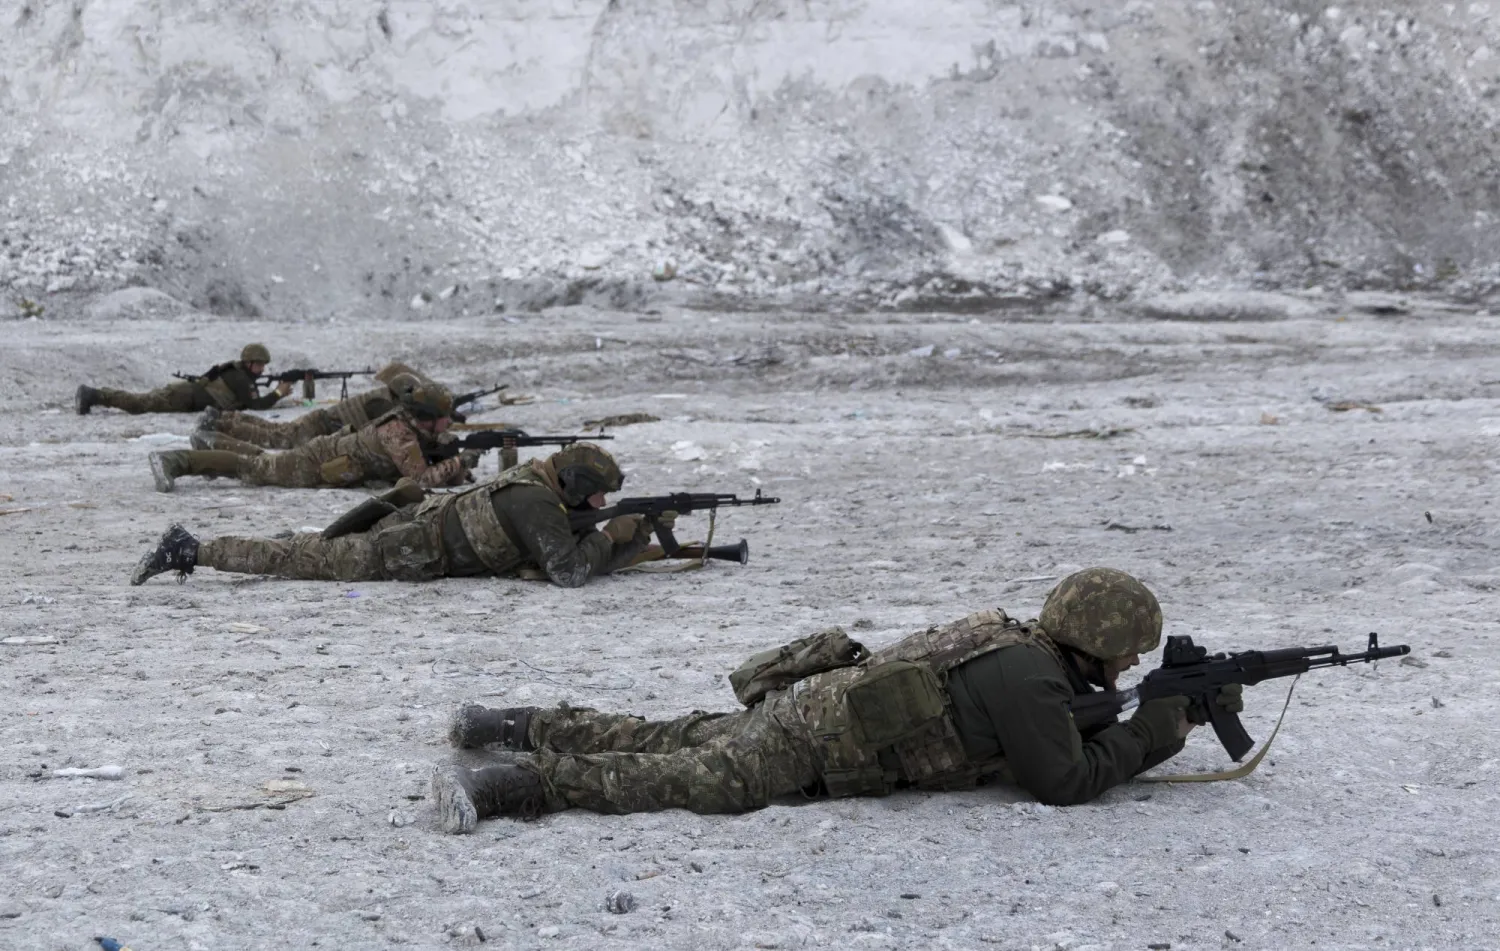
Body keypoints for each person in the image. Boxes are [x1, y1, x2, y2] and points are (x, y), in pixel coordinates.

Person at [428, 568, 1246, 832]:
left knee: (670, 734)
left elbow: (1046, 729)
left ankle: (513, 722)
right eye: (1127, 648)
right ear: (1096, 639)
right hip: (819, 744)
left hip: (811, 702)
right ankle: (514, 781)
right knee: (685, 779)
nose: (1133, 659)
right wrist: (1159, 730)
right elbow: (1061, 780)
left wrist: (1145, 714)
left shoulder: (1020, 646)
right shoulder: (1032, 678)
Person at [129, 443, 655, 588]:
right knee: (299, 560)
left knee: (307, 548)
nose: (603, 507)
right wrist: (613, 537)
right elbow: (566, 572)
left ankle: (208, 545)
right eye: (598, 496)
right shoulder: (539, 503)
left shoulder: (537, 486)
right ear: (576, 486)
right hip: (405, 549)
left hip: (415, 525)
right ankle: (191, 548)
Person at [145, 374, 469, 493]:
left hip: (330, 457)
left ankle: (214, 441)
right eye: (444, 419)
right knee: (257, 468)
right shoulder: (399, 432)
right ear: (429, 418)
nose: (448, 424)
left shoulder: (411, 427)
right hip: (320, 460)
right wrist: (459, 462)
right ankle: (176, 461)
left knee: (267, 458)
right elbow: (420, 480)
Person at [194, 362, 445, 450]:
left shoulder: (384, 397)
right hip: (325, 425)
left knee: (275, 431)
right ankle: (218, 425)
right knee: (276, 438)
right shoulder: (382, 405)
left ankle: (221, 420)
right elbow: (382, 435)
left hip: (324, 421)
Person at [75, 343, 293, 415]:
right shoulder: (240, 378)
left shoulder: (239, 373)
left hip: (186, 395)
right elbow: (255, 405)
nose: (262, 368)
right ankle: (93, 395)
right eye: (259, 364)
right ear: (248, 363)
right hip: (182, 397)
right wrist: (278, 393)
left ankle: (94, 395)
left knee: (140, 402)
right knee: (138, 404)